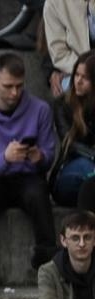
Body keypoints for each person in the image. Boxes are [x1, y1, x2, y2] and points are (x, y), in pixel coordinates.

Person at [0, 54, 56, 287]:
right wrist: (4, 159)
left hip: (27, 176)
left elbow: (49, 155)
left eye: (19, 86)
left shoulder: (40, 110)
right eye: (8, 86)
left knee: (38, 192)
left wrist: (40, 157)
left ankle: (47, 260)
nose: (14, 93)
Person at [51, 52, 95, 206]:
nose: (78, 81)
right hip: (67, 174)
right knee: (87, 168)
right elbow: (71, 145)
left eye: (86, 78)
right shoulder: (63, 105)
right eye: (76, 75)